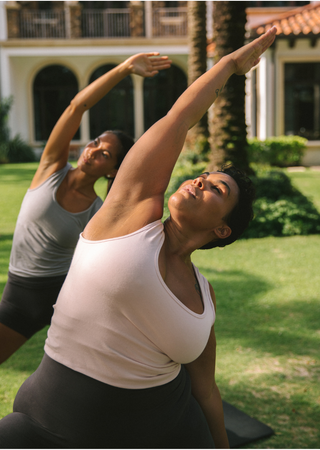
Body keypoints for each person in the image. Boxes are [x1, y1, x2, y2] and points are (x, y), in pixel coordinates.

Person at [0, 27, 277, 448]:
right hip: (51, 425)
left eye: (217, 189)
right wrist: (230, 66)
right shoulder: (126, 218)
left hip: (169, 428)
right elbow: (178, 120)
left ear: (222, 229)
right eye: (203, 175)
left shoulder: (205, 296)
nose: (200, 181)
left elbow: (205, 390)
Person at [0, 52, 172, 364]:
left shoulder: (98, 212)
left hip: (65, 294)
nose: (93, 151)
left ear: (111, 171)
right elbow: (77, 107)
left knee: (102, 367)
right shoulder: (51, 170)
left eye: (105, 154)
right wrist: (123, 69)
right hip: (20, 294)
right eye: (95, 142)